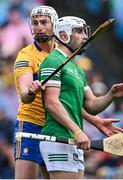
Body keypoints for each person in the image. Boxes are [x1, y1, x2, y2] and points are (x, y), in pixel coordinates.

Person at [39, 16, 123, 179]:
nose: (85, 37)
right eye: (79, 31)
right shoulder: (52, 61)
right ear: (64, 34)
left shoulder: (77, 69)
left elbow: (92, 105)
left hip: (73, 140)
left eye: (85, 32)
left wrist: (111, 95)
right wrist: (77, 131)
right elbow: (51, 103)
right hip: (59, 138)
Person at [13, 5, 58, 179]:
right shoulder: (26, 55)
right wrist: (31, 91)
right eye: (35, 22)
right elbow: (25, 95)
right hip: (31, 124)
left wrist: (96, 121)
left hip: (54, 126)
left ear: (54, 25)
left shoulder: (61, 56)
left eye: (44, 22)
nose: (38, 26)